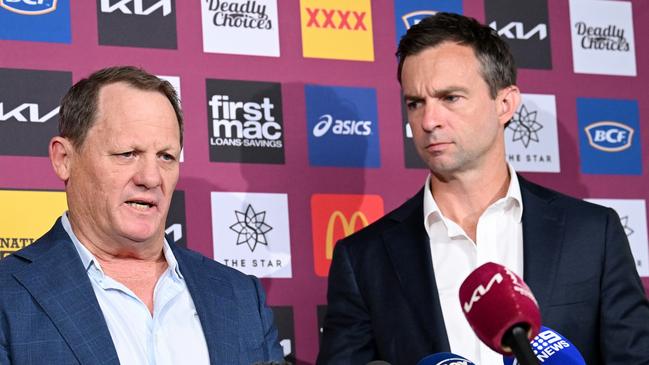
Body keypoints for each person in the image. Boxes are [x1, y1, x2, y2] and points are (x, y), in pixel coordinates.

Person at [317, 12, 649, 365]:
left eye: (450, 98)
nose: (428, 121)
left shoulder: (593, 234)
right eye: (415, 103)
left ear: (504, 104)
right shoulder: (364, 258)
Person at [0, 66, 284, 365]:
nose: (151, 177)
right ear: (64, 159)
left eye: (166, 157)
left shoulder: (240, 295)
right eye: (127, 153)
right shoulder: (9, 295)